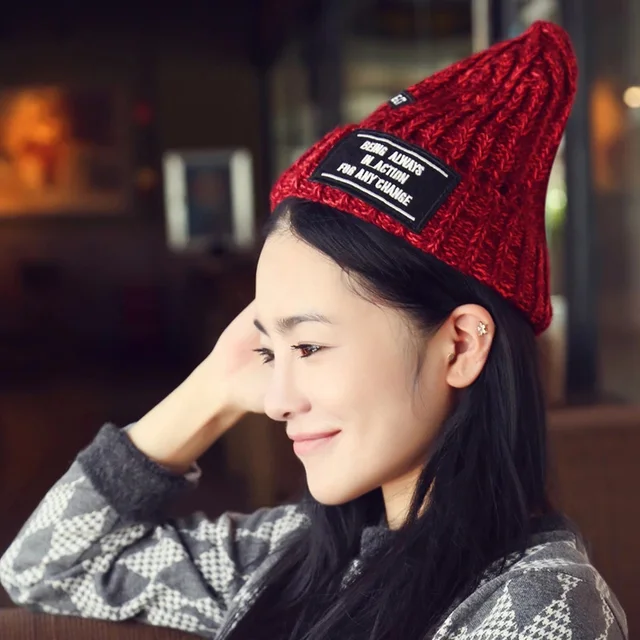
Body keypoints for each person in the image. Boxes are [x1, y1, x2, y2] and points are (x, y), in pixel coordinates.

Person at [0, 21, 628, 640]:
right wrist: (213, 388)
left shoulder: (538, 608)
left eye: (309, 345)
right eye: (269, 348)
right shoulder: (289, 555)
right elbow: (44, 568)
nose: (275, 401)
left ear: (460, 345)